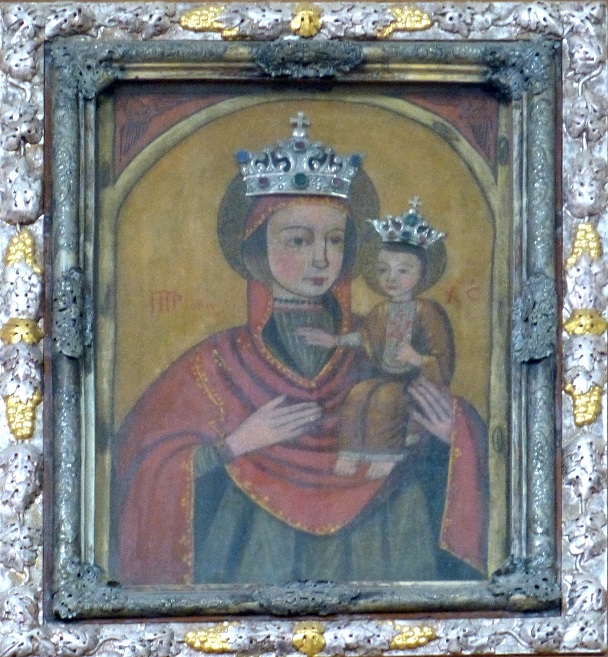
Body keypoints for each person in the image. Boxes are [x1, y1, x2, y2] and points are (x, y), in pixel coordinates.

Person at [110, 113, 488, 586]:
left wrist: (452, 436)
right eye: (297, 240)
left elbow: (447, 432)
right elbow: (144, 465)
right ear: (255, 252)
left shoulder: (378, 346)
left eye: (334, 240)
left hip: (385, 542)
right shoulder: (218, 364)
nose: (321, 259)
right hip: (253, 554)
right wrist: (235, 445)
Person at [298, 202, 454, 480]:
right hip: (385, 374)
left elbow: (442, 355)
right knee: (358, 394)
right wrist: (335, 340)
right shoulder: (381, 311)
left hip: (415, 381)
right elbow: (366, 336)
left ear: (421, 274)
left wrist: (417, 359)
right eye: (384, 270)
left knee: (387, 398)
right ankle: (351, 453)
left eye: (403, 271)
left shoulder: (427, 312)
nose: (391, 278)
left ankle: (386, 456)